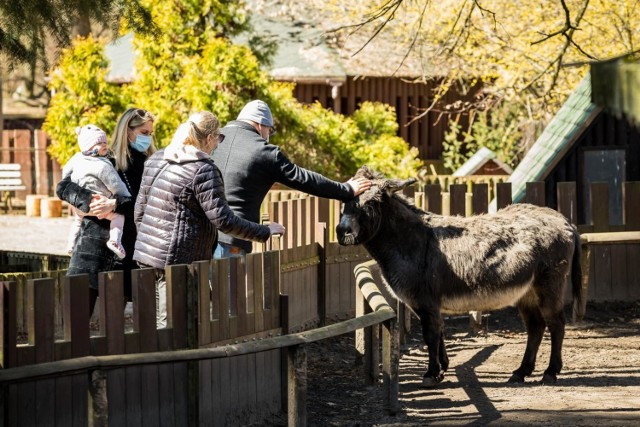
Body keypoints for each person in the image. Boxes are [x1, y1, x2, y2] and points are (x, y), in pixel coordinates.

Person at [132, 111, 285, 327]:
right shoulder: (204, 169)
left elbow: (140, 210)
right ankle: (176, 361)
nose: (219, 144)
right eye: (219, 138)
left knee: (150, 323)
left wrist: (150, 242)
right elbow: (224, 220)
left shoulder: (157, 158)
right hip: (181, 260)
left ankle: (154, 360)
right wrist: (265, 231)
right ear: (211, 137)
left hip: (147, 255)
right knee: (176, 326)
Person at [211, 99, 371, 257]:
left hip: (203, 236)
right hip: (234, 241)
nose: (268, 135)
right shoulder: (263, 151)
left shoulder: (212, 139)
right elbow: (304, 179)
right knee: (229, 283)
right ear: (261, 126)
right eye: (270, 131)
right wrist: (346, 189)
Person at [56, 108, 157, 315]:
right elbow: (64, 186)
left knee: (116, 320)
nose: (148, 138)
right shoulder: (101, 156)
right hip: (91, 242)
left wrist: (114, 204)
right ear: (127, 130)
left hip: (128, 244)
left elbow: (148, 203)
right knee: (77, 313)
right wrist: (90, 202)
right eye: (144, 132)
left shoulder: (150, 163)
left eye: (150, 133)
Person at [63, 124, 130, 259]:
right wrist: (125, 197)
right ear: (89, 147)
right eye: (99, 143)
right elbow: (116, 185)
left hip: (81, 206)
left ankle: (70, 245)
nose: (104, 145)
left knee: (77, 221)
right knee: (118, 217)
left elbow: (65, 175)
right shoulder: (103, 166)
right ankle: (115, 240)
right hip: (101, 205)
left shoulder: (76, 158)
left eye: (105, 142)